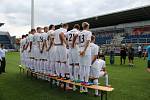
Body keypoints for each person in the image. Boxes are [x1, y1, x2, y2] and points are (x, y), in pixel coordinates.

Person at [65, 24, 80, 90]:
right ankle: (76, 78)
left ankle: (71, 77)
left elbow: (62, 35)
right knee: (76, 63)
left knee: (71, 63)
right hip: (75, 46)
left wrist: (67, 43)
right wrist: (73, 43)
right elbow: (77, 36)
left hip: (70, 47)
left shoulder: (68, 32)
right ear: (78, 28)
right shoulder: (78, 32)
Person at [79, 22, 92, 93]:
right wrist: (84, 50)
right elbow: (87, 41)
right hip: (86, 50)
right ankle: (86, 81)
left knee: (81, 66)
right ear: (87, 26)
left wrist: (80, 50)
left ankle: (81, 82)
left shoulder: (80, 33)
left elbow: (77, 42)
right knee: (87, 66)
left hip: (80, 49)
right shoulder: (88, 32)